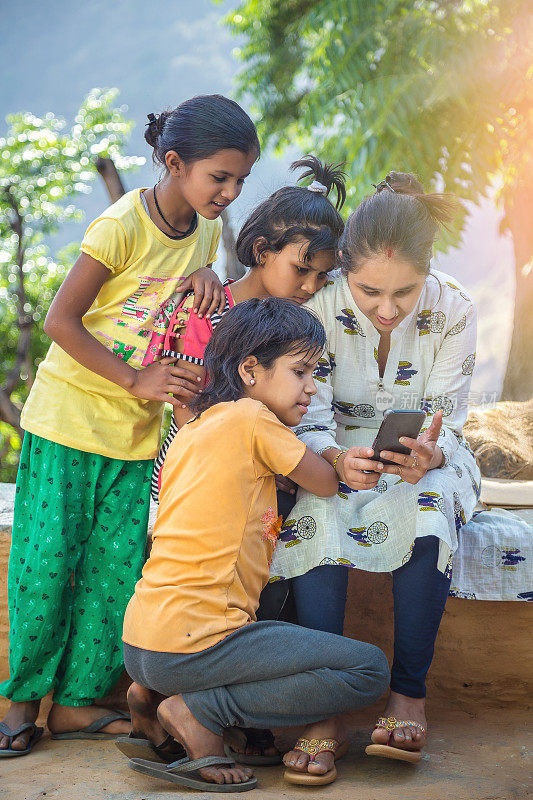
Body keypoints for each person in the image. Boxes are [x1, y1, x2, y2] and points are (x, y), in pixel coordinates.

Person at [0, 94, 259, 756]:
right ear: (174, 163)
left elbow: (195, 291)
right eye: (218, 178)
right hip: (67, 423)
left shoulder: (202, 229)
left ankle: (78, 704)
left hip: (136, 436)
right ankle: (22, 700)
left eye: (239, 181)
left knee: (115, 574)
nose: (228, 193)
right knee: (47, 565)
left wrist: (204, 271)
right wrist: (136, 380)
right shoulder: (119, 226)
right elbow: (60, 322)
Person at [120, 298, 390, 792]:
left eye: (317, 372)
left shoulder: (193, 429)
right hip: (200, 638)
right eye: (300, 371)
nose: (312, 387)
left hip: (142, 639)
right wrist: (344, 459)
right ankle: (198, 712)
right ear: (250, 370)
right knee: (368, 668)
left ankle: (147, 695)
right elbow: (326, 482)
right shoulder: (251, 418)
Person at [269, 172, 481, 763]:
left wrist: (431, 453)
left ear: (429, 271)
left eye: (404, 293)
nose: (386, 310)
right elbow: (308, 408)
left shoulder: (456, 308)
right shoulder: (319, 304)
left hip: (429, 457)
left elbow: (448, 415)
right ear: (344, 272)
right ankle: (324, 707)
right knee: (318, 500)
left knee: (433, 497)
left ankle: (408, 696)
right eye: (367, 292)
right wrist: (335, 457)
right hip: (333, 445)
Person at [147, 155, 346, 505]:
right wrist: (265, 456)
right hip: (195, 476)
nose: (312, 286)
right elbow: (186, 411)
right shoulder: (207, 310)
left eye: (321, 276)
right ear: (262, 250)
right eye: (301, 269)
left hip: (265, 470)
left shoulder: (295, 323)